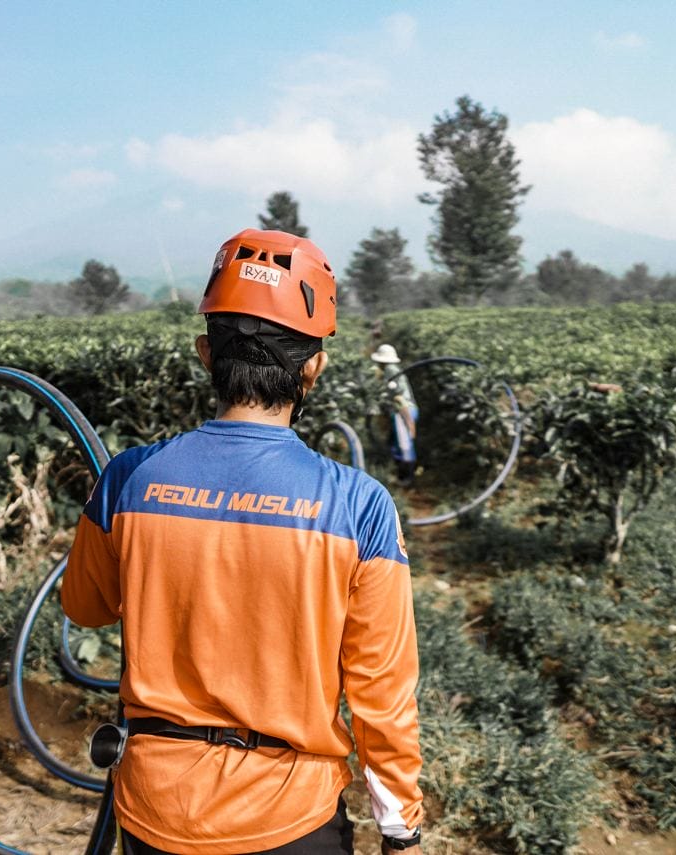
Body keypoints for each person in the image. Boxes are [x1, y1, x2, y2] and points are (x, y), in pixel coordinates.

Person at [62, 228, 423, 855]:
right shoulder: (358, 506)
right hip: (289, 816)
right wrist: (400, 829)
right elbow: (381, 693)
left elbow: (85, 608)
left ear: (206, 353)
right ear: (314, 366)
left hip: (154, 809)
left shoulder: (128, 479)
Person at [370, 344, 418, 484]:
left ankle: (407, 479)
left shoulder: (391, 370)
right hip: (403, 411)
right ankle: (399, 474)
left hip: (403, 411)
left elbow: (399, 397)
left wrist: (409, 423)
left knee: (404, 446)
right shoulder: (390, 370)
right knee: (395, 443)